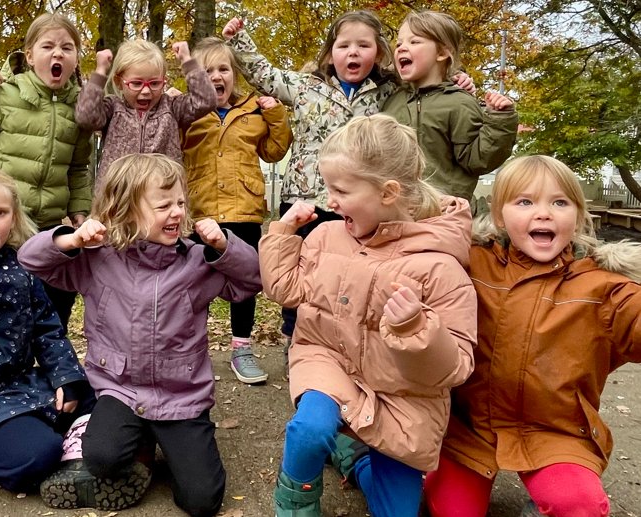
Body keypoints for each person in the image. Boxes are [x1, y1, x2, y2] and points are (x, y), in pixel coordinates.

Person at [19, 153, 262, 517]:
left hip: (181, 395)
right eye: (163, 205)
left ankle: (163, 443)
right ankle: (140, 446)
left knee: (201, 501)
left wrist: (226, 247)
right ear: (124, 210)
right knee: (102, 458)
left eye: (180, 202)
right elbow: (31, 260)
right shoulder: (98, 259)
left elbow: (252, 282)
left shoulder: (197, 260)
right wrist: (71, 240)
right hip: (121, 389)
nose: (177, 212)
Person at [259, 114, 477, 516]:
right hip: (330, 359)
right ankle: (294, 504)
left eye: (340, 189)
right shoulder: (326, 236)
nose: (330, 201)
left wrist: (418, 327)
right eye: (328, 187)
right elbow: (285, 290)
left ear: (388, 192)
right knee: (308, 431)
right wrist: (282, 235)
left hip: (402, 392)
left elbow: (458, 367)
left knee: (396, 510)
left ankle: (355, 460)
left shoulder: (441, 266)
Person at [222, 12, 473, 360]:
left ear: (379, 54)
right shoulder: (306, 87)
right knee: (304, 273)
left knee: (344, 277)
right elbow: (266, 75)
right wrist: (239, 40)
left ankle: (345, 341)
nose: (352, 53)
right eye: (344, 46)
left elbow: (425, 77)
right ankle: (297, 340)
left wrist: (459, 78)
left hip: (357, 206)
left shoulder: (388, 91)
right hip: (306, 201)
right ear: (329, 55)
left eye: (363, 45)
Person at [0, 167, 148, 509]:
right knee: (36, 456)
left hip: (22, 386)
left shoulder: (18, 265)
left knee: (101, 392)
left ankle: (78, 463)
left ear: (14, 216)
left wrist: (65, 376)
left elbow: (47, 328)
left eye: (0, 213)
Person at [424, 155, 641, 517]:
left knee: (579, 506)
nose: (544, 214)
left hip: (557, 433)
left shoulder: (602, 285)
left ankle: (548, 498)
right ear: (498, 216)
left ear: (578, 215)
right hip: (470, 431)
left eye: (560, 202)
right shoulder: (472, 262)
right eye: (525, 202)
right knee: (451, 510)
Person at [0, 12, 92, 333]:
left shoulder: (80, 107)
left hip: (47, 224)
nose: (57, 54)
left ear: (76, 58)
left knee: (57, 295)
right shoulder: (8, 95)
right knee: (0, 299)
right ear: (30, 55)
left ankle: (48, 360)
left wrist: (79, 211)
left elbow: (78, 167)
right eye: (47, 46)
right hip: (2, 222)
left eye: (67, 47)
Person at [181, 36, 293, 385]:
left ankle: (241, 348)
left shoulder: (253, 111)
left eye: (223, 69)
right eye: (207, 70)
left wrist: (274, 112)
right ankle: (189, 350)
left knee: (245, 284)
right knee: (192, 283)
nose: (216, 76)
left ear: (234, 74)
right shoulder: (189, 113)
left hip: (244, 210)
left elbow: (275, 151)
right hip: (200, 210)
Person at [381, 10, 518, 200]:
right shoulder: (391, 100)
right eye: (399, 43)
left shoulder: (459, 102)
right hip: (395, 205)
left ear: (443, 52)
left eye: (414, 42)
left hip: (444, 208)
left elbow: (478, 159)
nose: (402, 48)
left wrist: (501, 120)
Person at [75, 39, 216, 181]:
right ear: (119, 82)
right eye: (136, 84)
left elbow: (205, 101)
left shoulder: (171, 107)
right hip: (119, 197)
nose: (146, 91)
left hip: (161, 194)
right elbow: (86, 116)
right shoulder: (113, 109)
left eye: (155, 83)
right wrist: (100, 72)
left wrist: (187, 61)